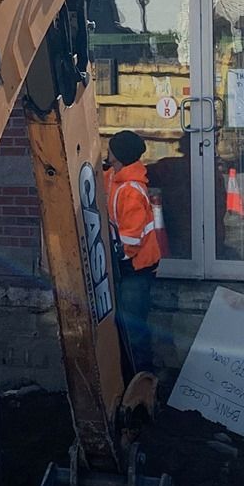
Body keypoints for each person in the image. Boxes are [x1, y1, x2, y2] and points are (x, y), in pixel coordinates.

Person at [105, 129, 163, 374]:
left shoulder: (130, 189)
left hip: (135, 268)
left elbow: (132, 236)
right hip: (128, 266)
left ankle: (142, 378)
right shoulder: (116, 178)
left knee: (133, 327)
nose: (105, 152)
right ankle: (132, 375)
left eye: (110, 149)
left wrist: (120, 260)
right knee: (125, 324)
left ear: (118, 155)